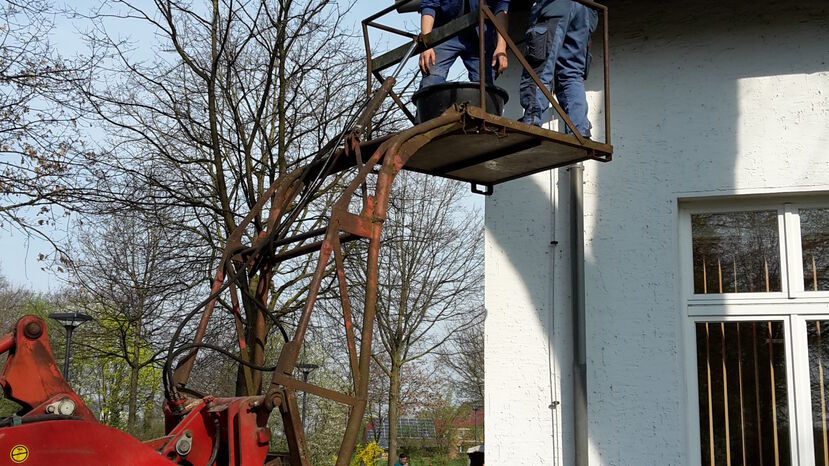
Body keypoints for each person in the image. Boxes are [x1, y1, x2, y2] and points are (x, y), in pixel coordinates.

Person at [518, 0, 598, 137]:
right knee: (571, 74)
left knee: (540, 67)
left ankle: (532, 120)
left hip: (555, 4)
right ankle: (579, 129)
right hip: (586, 9)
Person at [418, 0, 511, 89]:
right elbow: (429, 5)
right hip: (445, 33)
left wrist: (501, 46)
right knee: (431, 79)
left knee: (485, 85)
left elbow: (501, 7)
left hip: (480, 36)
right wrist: (427, 45)